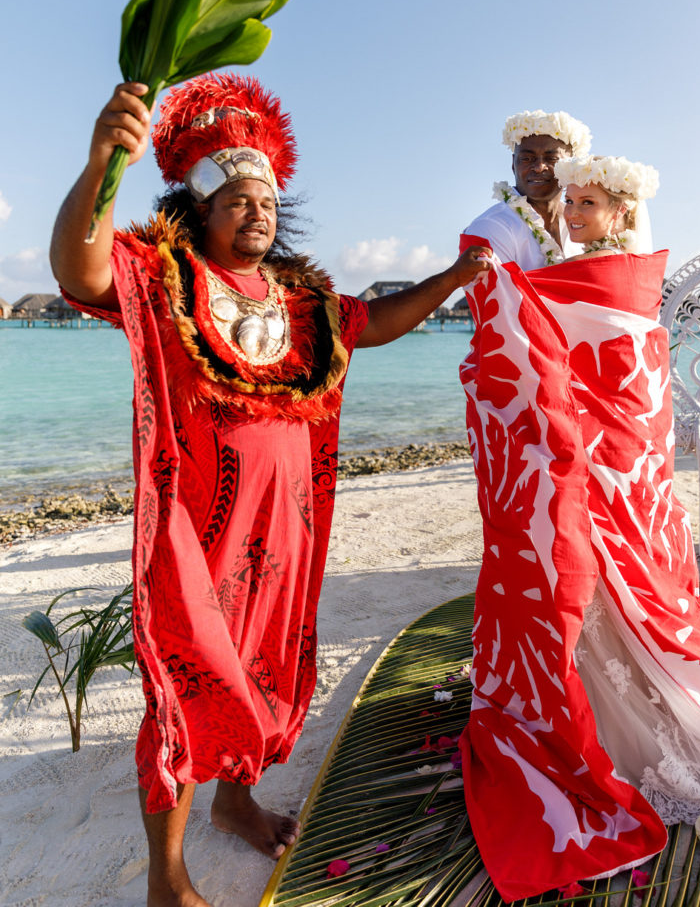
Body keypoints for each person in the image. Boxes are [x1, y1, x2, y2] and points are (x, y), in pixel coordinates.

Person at [50, 74, 490, 907]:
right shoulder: (164, 275)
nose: (258, 211)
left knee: (261, 670)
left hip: (285, 530)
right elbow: (79, 269)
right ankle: (168, 878)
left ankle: (237, 799)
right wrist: (102, 162)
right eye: (237, 201)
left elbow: (377, 321)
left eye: (267, 201)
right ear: (202, 213)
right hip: (195, 532)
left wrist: (455, 277)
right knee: (187, 688)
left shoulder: (307, 301)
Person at [457, 153, 700, 901]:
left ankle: (620, 716)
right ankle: (594, 692)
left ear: (619, 212)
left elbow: (616, 373)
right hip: (598, 465)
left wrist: (503, 294)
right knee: (591, 570)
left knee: (603, 566)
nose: (572, 213)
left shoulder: (611, 282)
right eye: (570, 201)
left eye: (587, 202)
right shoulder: (589, 277)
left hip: (611, 463)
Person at [461, 109, 591, 268]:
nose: (538, 167)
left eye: (552, 159)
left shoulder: (583, 221)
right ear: (513, 164)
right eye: (527, 159)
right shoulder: (492, 226)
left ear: (571, 166)